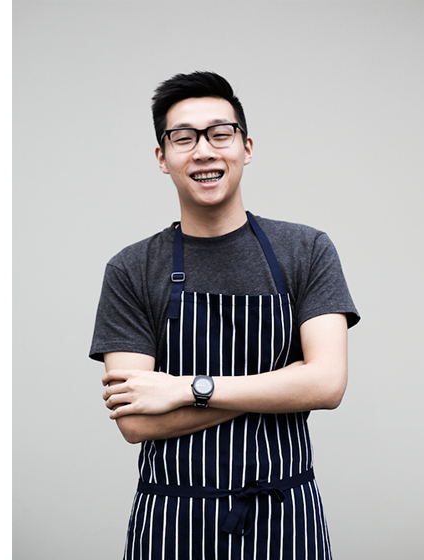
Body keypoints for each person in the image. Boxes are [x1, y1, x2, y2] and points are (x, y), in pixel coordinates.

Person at [89, 71, 360, 560]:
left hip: (284, 519)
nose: (204, 151)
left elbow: (328, 386)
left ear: (246, 147)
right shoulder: (131, 269)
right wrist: (287, 385)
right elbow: (136, 425)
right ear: (162, 158)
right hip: (172, 525)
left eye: (220, 134)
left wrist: (185, 390)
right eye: (183, 138)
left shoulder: (306, 250)